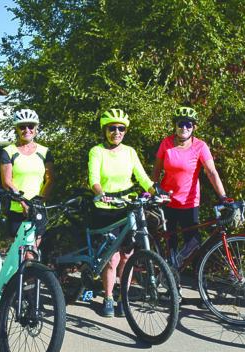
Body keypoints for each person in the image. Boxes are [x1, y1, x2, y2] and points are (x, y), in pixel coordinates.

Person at [89, 108, 156, 318]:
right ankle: (108, 297)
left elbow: (143, 178)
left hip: (127, 208)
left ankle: (123, 298)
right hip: (106, 209)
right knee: (112, 258)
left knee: (128, 255)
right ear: (105, 130)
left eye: (120, 128)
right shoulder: (97, 151)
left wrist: (156, 191)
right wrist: (101, 193)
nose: (116, 132)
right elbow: (94, 179)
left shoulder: (130, 152)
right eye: (112, 128)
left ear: (125, 131)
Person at [151, 106, 230, 261]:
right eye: (180, 124)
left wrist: (224, 196)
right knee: (170, 241)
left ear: (194, 127)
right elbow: (156, 168)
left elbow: (212, 172)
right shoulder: (166, 143)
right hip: (167, 200)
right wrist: (153, 190)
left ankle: (196, 276)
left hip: (189, 202)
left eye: (188, 124)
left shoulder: (200, 146)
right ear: (175, 126)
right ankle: (172, 274)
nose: (184, 128)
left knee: (193, 242)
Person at [0, 109, 54, 242]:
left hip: (37, 208)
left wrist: (38, 204)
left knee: (33, 251)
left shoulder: (44, 152)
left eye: (30, 126)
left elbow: (50, 180)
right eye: (22, 127)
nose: (27, 130)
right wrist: (24, 204)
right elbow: (6, 182)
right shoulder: (9, 152)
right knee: (18, 250)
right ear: (16, 129)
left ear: (36, 127)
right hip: (17, 208)